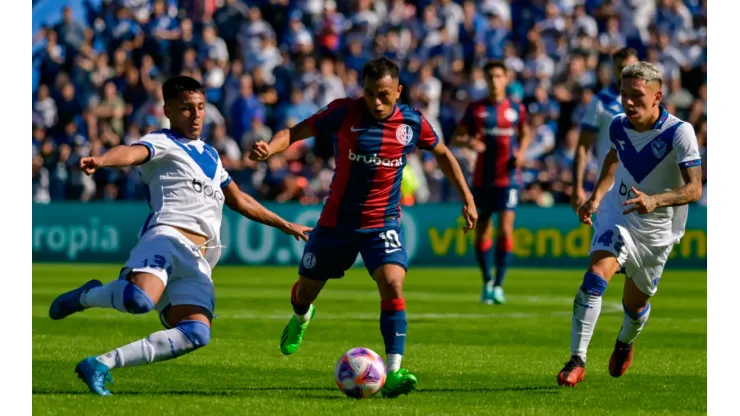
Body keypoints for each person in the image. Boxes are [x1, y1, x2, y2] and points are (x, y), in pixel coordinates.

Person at [48, 76, 311, 396]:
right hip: (167, 236)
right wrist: (102, 161)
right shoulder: (161, 141)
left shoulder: (213, 156)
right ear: (168, 110)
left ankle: (101, 363)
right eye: (187, 109)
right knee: (139, 299)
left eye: (200, 107)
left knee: (197, 333)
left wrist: (285, 224)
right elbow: (131, 153)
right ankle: (87, 296)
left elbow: (240, 199)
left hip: (200, 259)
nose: (196, 115)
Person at [249, 57, 477, 398]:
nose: (377, 102)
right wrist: (270, 148)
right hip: (336, 222)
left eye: (384, 94)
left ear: (398, 91)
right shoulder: (344, 112)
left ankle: (395, 370)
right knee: (304, 292)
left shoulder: (412, 123)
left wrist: (467, 197)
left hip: (381, 223)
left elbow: (442, 153)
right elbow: (296, 132)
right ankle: (301, 317)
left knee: (393, 284)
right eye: (370, 94)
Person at [557, 63, 703, 387]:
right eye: (624, 95)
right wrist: (596, 198)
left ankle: (624, 341)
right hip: (618, 216)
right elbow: (613, 157)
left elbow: (695, 189)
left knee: (635, 306)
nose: (629, 103)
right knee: (595, 278)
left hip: (657, 232)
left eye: (637, 95)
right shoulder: (618, 126)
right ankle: (576, 359)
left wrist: (655, 200)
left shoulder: (680, 133)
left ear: (657, 97)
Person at [450, 60, 531, 305]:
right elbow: (456, 138)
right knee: (483, 229)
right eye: (490, 77)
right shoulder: (476, 109)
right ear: (485, 80)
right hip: (482, 180)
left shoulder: (516, 109)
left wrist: (522, 152)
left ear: (506, 79)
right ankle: (487, 280)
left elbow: (525, 132)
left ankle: (499, 284)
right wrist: (468, 143)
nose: (495, 81)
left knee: (506, 228)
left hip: (508, 179)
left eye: (498, 76)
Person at [571, 48, 639, 212]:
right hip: (609, 190)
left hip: (642, 189)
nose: (625, 72)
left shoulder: (650, 102)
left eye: (630, 67)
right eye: (620, 68)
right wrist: (577, 186)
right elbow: (583, 146)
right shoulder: (601, 101)